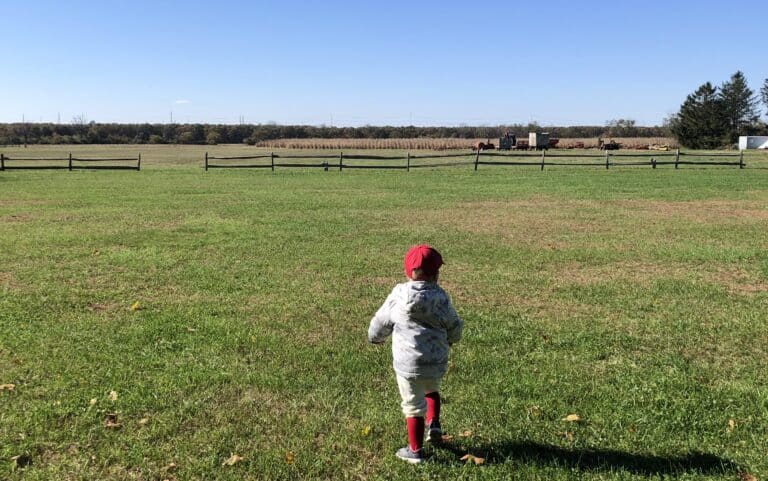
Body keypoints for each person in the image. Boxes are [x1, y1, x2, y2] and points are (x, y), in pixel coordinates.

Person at [368, 244, 464, 464]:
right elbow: (454, 324)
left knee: (413, 405)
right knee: (432, 388)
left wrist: (375, 337)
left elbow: (382, 321)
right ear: (437, 274)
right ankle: (435, 425)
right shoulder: (441, 298)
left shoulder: (398, 295)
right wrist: (453, 339)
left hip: (408, 364)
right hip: (435, 359)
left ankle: (415, 451)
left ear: (407, 272)